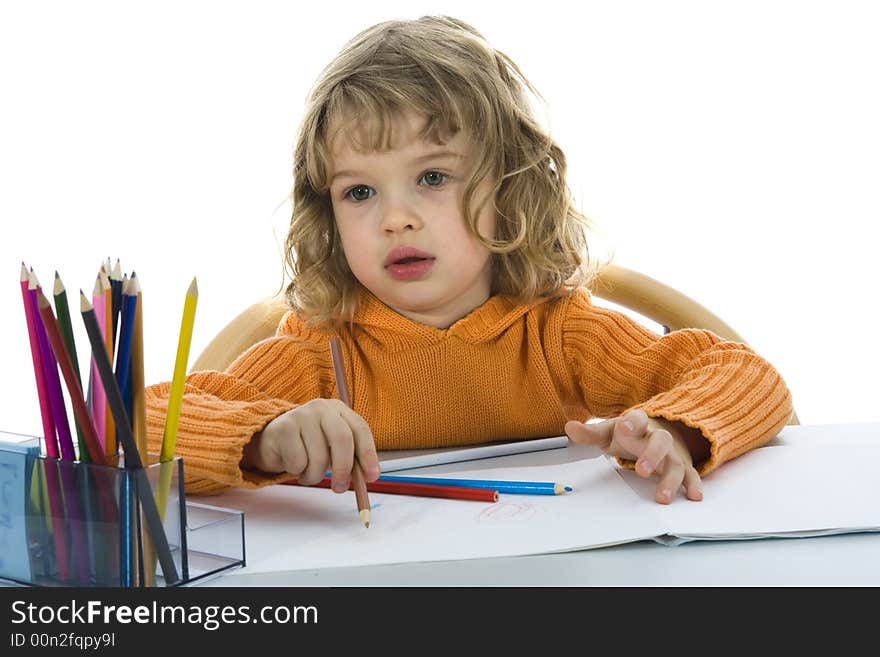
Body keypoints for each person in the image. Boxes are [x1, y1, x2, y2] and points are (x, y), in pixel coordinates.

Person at [145, 15, 792, 504]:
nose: (395, 217)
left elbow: (750, 377)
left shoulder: (560, 332)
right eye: (360, 191)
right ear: (328, 213)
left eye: (432, 176)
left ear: (509, 186)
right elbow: (144, 423)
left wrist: (672, 430)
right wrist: (268, 433)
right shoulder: (321, 352)